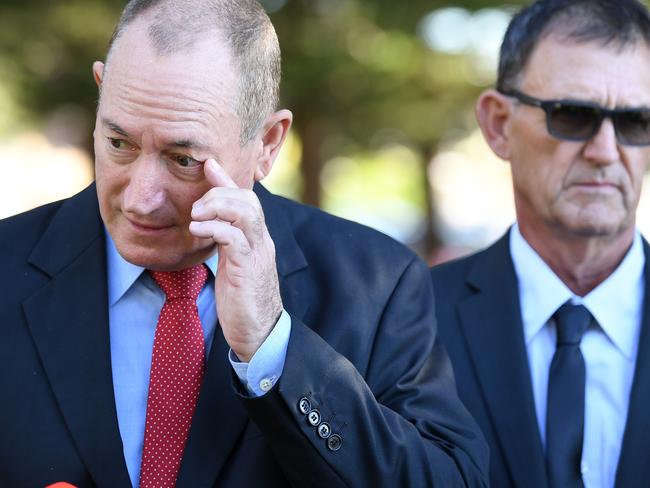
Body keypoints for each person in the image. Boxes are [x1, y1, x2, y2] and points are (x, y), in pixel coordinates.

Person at [0, 0, 488, 486]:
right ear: (102, 92)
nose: (141, 200)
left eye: (183, 159)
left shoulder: (377, 284)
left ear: (268, 144)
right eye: (120, 144)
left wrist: (273, 349)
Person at [430, 0, 650, 487]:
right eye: (572, 115)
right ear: (498, 125)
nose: (606, 151)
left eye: (636, 122)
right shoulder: (414, 320)